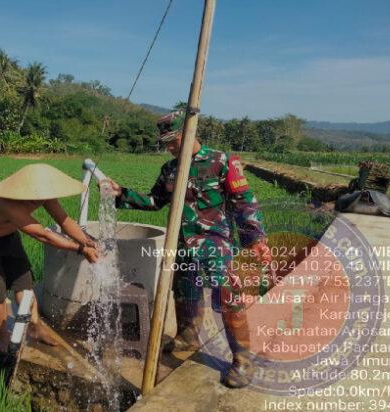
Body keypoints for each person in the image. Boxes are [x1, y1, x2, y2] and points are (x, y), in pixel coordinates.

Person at [105, 111, 272, 388]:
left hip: (214, 241)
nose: (169, 147)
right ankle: (187, 336)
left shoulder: (221, 161)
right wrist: (121, 192)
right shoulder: (169, 169)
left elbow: (244, 201)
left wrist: (255, 239)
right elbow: (153, 201)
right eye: (166, 143)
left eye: (173, 141)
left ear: (189, 133)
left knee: (229, 296)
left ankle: (243, 359)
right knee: (184, 291)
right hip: (181, 243)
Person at [0, 163, 98, 358]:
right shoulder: (7, 202)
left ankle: (35, 327)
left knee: (23, 281)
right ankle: (3, 336)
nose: (41, 199)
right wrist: (80, 249)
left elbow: (65, 220)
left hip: (8, 236)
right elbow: (44, 235)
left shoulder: (43, 196)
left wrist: (88, 241)